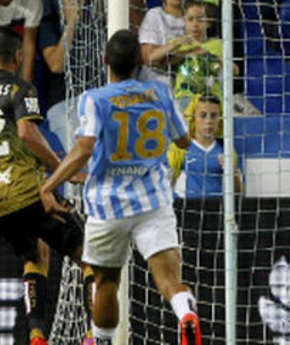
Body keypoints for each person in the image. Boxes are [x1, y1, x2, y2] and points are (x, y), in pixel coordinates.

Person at [39, 29, 203, 345]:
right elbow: (184, 141)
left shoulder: (95, 99)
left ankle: (100, 341)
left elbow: (85, 148)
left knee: (106, 283)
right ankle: (186, 315)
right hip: (154, 202)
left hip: (108, 206)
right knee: (169, 281)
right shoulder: (160, 93)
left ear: (105, 61)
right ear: (141, 61)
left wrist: (50, 185)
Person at [0, 30, 93, 345]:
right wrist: (60, 169)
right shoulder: (19, 87)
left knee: (35, 252)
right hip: (25, 193)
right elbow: (27, 133)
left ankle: (36, 334)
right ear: (18, 58)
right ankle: (92, 334)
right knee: (89, 254)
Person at [39, 0, 105, 149]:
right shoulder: (49, 23)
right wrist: (71, 23)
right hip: (64, 103)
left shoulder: (100, 24)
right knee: (80, 146)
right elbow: (56, 65)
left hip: (97, 98)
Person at [172, 0, 241, 111]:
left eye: (200, 20)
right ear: (184, 21)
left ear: (209, 22)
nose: (195, 24)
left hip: (212, 97)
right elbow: (164, 60)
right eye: (190, 19)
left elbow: (235, 71)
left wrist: (220, 60)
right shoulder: (177, 43)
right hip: (185, 95)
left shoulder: (218, 44)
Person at [168, 95, 243, 198]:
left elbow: (239, 192)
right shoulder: (179, 148)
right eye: (203, 115)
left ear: (220, 119)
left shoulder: (227, 149)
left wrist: (233, 172)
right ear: (193, 118)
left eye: (213, 116)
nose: (208, 121)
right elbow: (165, 184)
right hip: (186, 210)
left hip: (218, 210)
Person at [140, 0, 196, 84]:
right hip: (156, 85)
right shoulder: (155, 15)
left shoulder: (196, 18)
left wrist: (168, 56)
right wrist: (184, 50)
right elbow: (148, 58)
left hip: (189, 83)